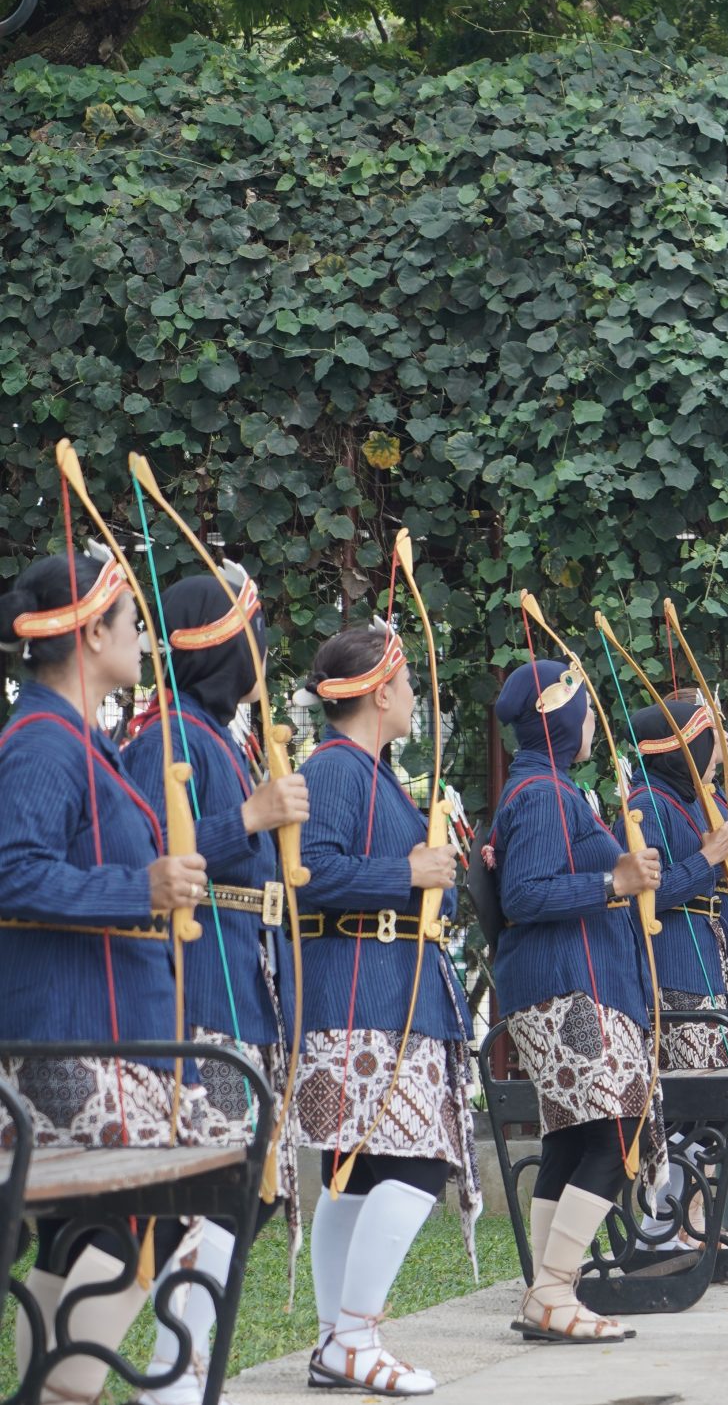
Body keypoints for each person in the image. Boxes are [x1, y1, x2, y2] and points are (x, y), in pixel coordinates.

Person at [0, 551, 210, 1405]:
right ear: (92, 633)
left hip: (116, 1037)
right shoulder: (43, 742)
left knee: (89, 1233)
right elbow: (11, 870)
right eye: (133, 621)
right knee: (153, 1215)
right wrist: (141, 887)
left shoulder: (83, 740)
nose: (145, 638)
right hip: (70, 1039)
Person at [116, 571, 310, 1399]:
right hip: (197, 986)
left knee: (248, 1188)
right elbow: (149, 845)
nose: (263, 653)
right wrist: (252, 820)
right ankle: (173, 1373)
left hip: (243, 975)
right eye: (253, 634)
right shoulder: (165, 736)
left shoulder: (219, 735)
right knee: (209, 1189)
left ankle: (185, 1367)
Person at [293, 619, 478, 1394]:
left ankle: (342, 1339)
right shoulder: (336, 768)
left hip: (388, 989)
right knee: (411, 1165)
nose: (412, 699)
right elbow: (310, 872)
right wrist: (408, 867)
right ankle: (356, 1334)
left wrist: (440, 863)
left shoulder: (374, 774)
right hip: (362, 994)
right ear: (378, 691)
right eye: (404, 686)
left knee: (362, 1172)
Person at [486, 657, 661, 1344]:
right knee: (621, 1129)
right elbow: (524, 895)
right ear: (559, 719)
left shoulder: (550, 789)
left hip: (569, 984)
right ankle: (556, 1289)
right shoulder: (542, 795)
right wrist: (612, 882)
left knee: (578, 1132)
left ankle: (547, 1292)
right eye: (585, 710)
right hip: (565, 988)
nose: (593, 722)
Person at [625, 692, 728, 1256]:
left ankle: (690, 1219)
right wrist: (715, 853)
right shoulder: (646, 801)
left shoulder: (686, 800)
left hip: (707, 958)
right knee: (682, 1102)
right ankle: (661, 1226)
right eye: (708, 740)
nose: (718, 750)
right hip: (673, 961)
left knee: (708, 1102)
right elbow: (648, 894)